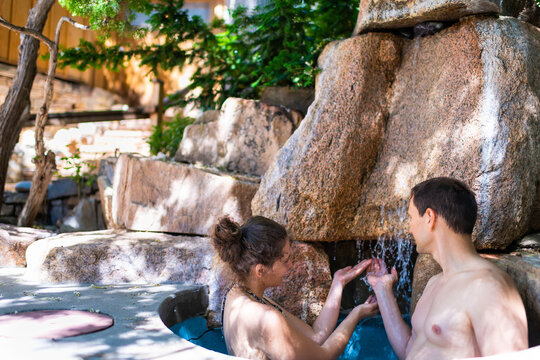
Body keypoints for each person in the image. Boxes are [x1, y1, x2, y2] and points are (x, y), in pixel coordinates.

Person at [367, 177, 528, 359]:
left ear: (429, 217)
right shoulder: (434, 283)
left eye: (411, 218)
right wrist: (382, 290)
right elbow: (408, 351)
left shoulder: (488, 287)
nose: (410, 230)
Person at [211, 215, 378, 360]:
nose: (290, 265)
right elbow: (323, 357)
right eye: (285, 261)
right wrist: (357, 314)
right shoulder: (265, 318)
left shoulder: (238, 295)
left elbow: (316, 337)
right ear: (260, 270)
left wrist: (338, 284)